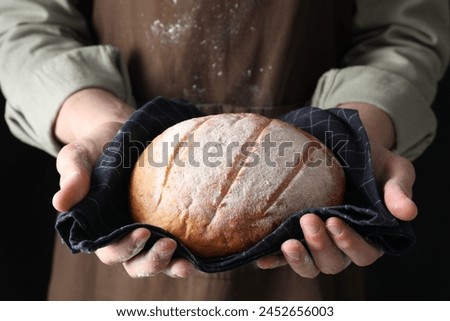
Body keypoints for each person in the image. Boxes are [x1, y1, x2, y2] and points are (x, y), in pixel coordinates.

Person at [0, 0, 448, 300]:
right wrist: (100, 122)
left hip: (316, 250)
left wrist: (361, 128)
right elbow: (23, 20)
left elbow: (403, 28)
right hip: (121, 238)